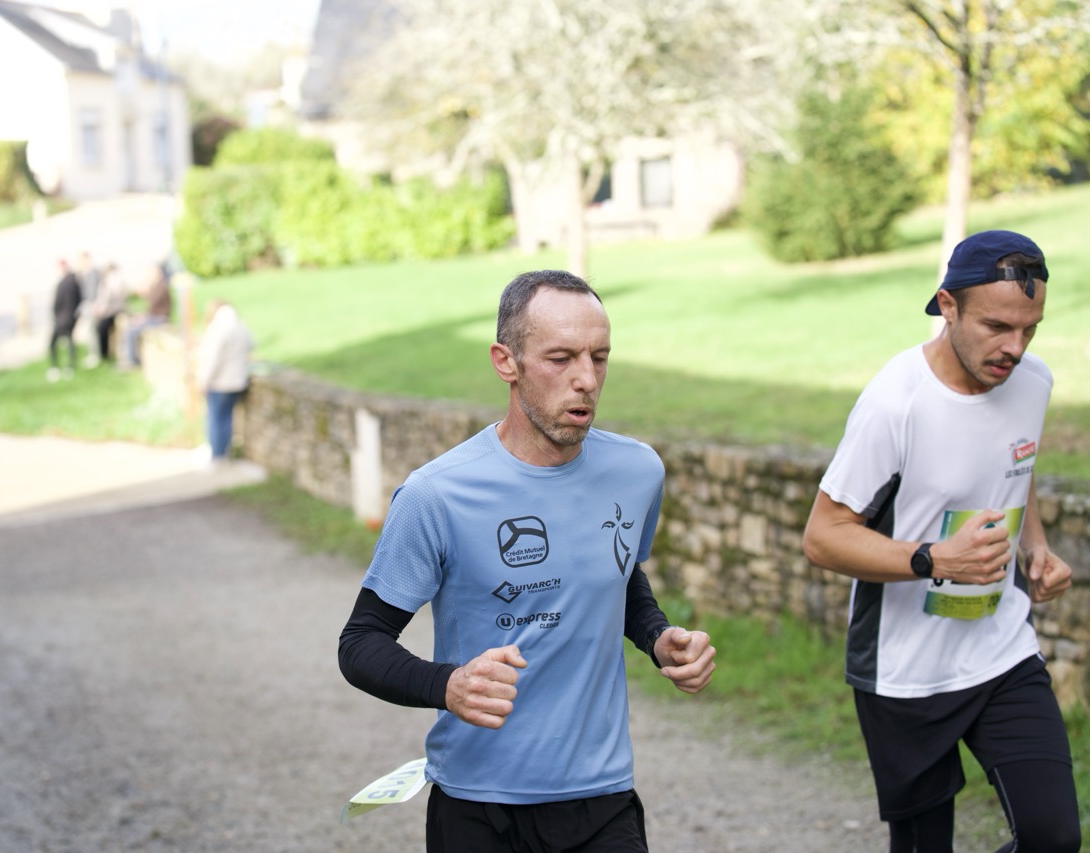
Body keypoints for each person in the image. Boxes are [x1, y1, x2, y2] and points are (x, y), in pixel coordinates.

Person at [338, 270, 716, 852]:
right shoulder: (437, 494)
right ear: (505, 362)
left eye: (599, 357)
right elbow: (361, 643)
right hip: (478, 807)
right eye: (561, 358)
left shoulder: (638, 471)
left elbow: (618, 576)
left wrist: (658, 637)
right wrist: (448, 685)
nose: (586, 379)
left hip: (602, 799)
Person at [801, 230, 1079, 853]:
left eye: (1029, 329)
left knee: (1054, 837)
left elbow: (1017, 461)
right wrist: (932, 559)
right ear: (947, 305)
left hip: (1001, 649)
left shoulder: (1032, 381)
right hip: (904, 670)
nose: (1014, 348)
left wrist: (1034, 546)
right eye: (997, 327)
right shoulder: (895, 404)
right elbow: (822, 539)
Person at [195, 299, 255, 465]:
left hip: (219, 382)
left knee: (215, 418)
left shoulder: (217, 329)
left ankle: (217, 454)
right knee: (227, 418)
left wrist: (203, 381)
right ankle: (225, 452)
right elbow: (252, 345)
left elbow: (211, 360)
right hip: (238, 381)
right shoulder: (240, 326)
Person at [122, 262, 172, 367]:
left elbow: (153, 304)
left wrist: (145, 291)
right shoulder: (157, 286)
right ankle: (129, 357)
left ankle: (132, 360)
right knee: (131, 327)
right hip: (154, 317)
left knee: (132, 330)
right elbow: (151, 308)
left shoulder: (161, 286)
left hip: (160, 319)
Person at [47, 259, 82, 381]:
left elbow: (59, 303)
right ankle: (69, 366)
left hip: (62, 318)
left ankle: (56, 367)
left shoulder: (65, 282)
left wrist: (56, 316)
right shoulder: (74, 281)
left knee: (53, 343)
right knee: (70, 341)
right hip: (70, 317)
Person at [88, 261, 127, 365]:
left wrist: (103, 308)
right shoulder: (106, 281)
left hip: (113, 311)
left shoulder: (116, 280)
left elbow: (112, 297)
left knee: (102, 328)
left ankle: (103, 354)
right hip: (107, 310)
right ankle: (100, 354)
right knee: (97, 328)